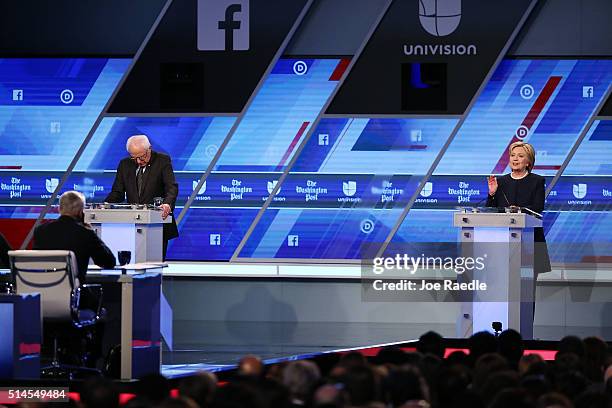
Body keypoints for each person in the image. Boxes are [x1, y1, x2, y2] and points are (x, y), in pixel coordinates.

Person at [104, 135, 179, 259]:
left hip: (157, 224)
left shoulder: (162, 160)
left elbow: (171, 187)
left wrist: (167, 204)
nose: (138, 161)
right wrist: (103, 206)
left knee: (154, 266)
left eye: (142, 157)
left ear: (149, 148)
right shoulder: (125, 164)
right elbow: (117, 193)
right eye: (134, 158)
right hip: (131, 225)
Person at [486, 141, 551, 275]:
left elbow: (538, 207)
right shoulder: (501, 181)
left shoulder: (537, 181)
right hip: (503, 240)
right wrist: (492, 194)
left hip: (529, 239)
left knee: (527, 284)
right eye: (513, 155)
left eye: (520, 156)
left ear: (528, 162)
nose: (515, 159)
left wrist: (519, 210)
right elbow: (490, 211)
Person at [33, 190, 116, 284]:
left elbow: (36, 264)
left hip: (44, 291)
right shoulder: (85, 233)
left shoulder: (41, 231)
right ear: (81, 212)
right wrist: (92, 232)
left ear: (59, 209)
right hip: (76, 294)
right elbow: (109, 262)